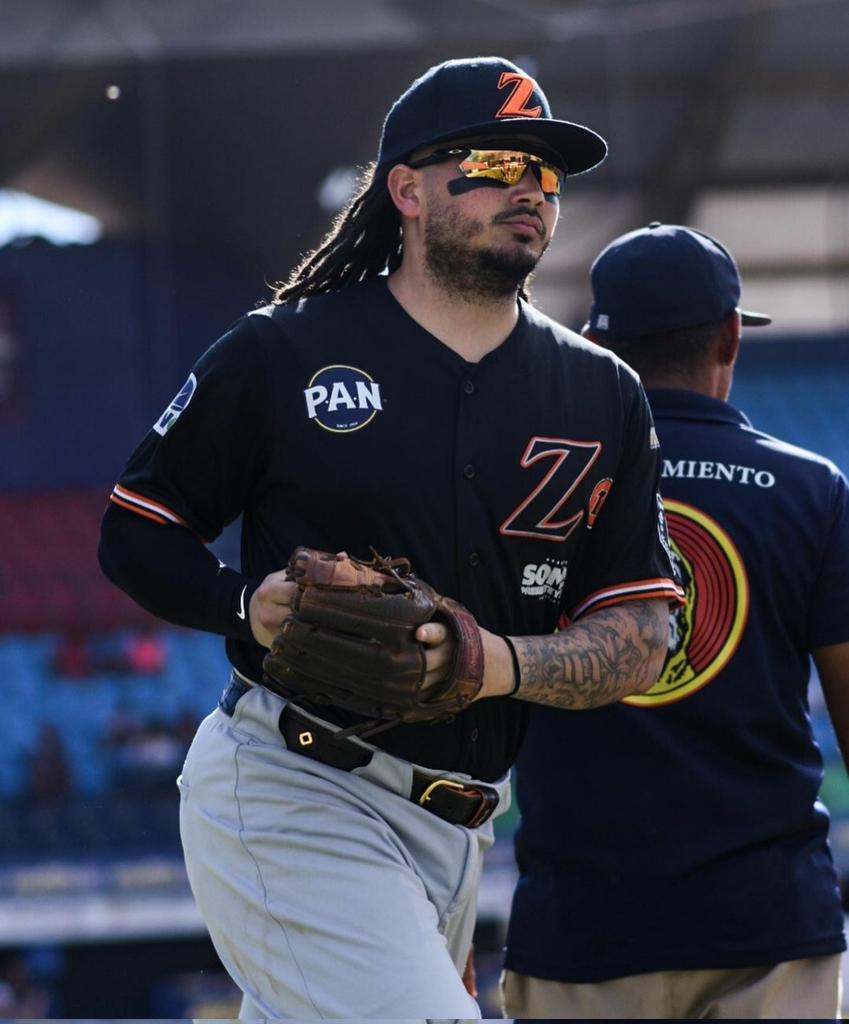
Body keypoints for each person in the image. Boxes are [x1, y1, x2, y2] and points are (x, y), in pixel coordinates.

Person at [98, 59, 682, 1019]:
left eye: (547, 174)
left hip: (463, 824)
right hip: (297, 784)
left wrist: (491, 662)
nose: (529, 189)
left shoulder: (600, 391)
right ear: (406, 191)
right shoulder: (281, 349)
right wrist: (244, 606)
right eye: (497, 162)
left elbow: (641, 637)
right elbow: (137, 530)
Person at [502, 221, 849, 1020]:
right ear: (730, 335)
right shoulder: (813, 491)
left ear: (592, 343)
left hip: (578, 935)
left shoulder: (526, 498)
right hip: (767, 932)